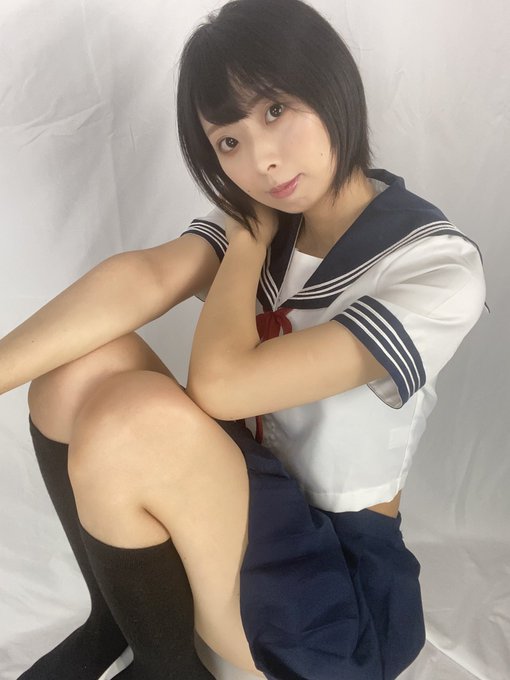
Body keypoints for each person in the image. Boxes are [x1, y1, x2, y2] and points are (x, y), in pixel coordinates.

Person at [4, 0, 486, 678]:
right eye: (228, 141)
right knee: (75, 369)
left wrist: (246, 247)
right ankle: (114, 620)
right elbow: (144, 278)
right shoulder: (269, 216)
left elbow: (221, 388)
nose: (262, 159)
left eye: (275, 111)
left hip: (337, 600)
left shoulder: (434, 266)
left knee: (129, 418)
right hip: (246, 501)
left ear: (332, 84)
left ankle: (170, 670)